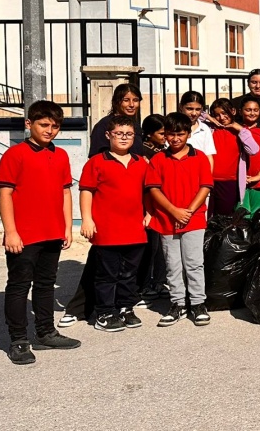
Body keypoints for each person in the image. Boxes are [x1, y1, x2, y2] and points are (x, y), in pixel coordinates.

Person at [0, 100, 81, 365]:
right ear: (28, 123)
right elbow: (5, 192)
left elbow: (66, 191)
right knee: (20, 285)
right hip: (24, 235)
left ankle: (45, 332)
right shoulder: (15, 154)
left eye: (55, 126)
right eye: (44, 125)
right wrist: (11, 231)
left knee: (45, 284)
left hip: (53, 232)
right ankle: (19, 340)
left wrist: (67, 226)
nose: (50, 131)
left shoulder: (61, 155)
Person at [78, 114, 151, 332]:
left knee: (130, 272)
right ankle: (104, 312)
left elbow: (148, 191)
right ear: (109, 135)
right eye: (119, 133)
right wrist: (87, 219)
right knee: (107, 274)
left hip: (135, 228)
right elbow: (86, 192)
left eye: (129, 134)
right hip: (107, 229)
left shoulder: (141, 163)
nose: (124, 138)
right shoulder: (96, 162)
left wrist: (149, 213)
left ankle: (125, 307)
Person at [145, 112, 213, 327]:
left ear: (188, 134)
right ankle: (177, 303)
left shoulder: (199, 156)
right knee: (173, 264)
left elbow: (205, 186)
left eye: (180, 134)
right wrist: (174, 211)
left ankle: (198, 303)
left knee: (194, 263)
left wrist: (189, 211)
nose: (175, 139)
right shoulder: (158, 159)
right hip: (166, 219)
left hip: (194, 219)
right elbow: (153, 189)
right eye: (171, 134)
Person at [206, 98, 260, 217]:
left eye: (225, 113)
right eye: (217, 115)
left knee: (224, 216)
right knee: (208, 215)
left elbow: (254, 150)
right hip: (208, 180)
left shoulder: (240, 131)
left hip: (229, 181)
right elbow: (196, 116)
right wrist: (209, 118)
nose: (221, 117)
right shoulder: (209, 129)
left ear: (233, 111)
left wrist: (240, 129)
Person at [137, 114, 169, 301]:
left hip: (162, 205)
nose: (165, 136)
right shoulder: (143, 153)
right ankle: (144, 285)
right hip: (148, 204)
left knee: (160, 248)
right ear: (149, 134)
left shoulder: (161, 151)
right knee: (150, 247)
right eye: (162, 133)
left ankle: (159, 281)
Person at [89, 83, 143, 156]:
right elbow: (97, 156)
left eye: (135, 100)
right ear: (116, 102)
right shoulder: (104, 125)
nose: (132, 105)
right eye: (126, 100)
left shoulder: (135, 125)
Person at [178, 90, 216, 165]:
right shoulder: (172, 127)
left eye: (198, 109)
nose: (194, 113)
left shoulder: (204, 129)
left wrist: (208, 176)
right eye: (189, 109)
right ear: (181, 107)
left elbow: (209, 156)